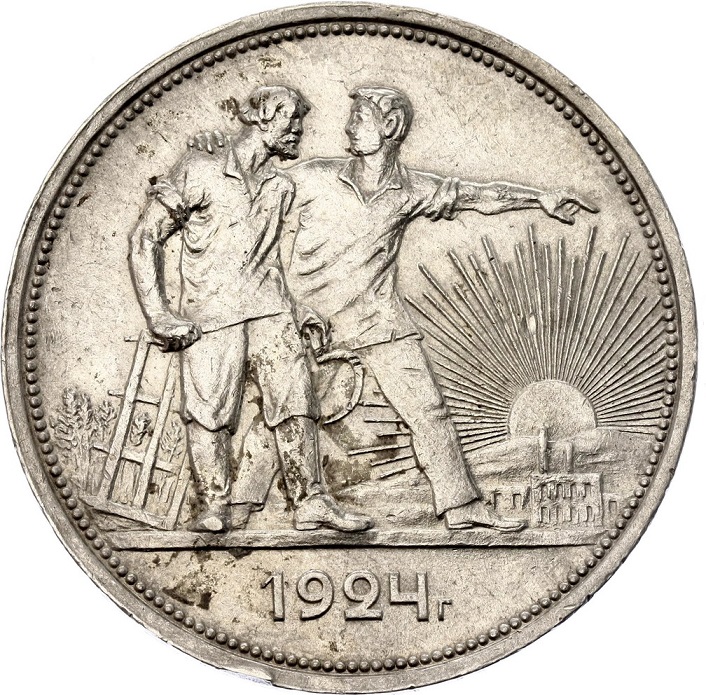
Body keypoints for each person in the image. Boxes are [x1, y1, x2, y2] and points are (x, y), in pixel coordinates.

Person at [191, 86, 597, 531]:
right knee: (293, 413)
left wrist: (539, 198)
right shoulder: (310, 177)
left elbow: (479, 196)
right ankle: (241, 504)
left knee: (429, 410)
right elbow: (246, 182)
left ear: (389, 126)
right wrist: (211, 146)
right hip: (315, 325)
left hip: (380, 322)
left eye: (359, 117)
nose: (348, 126)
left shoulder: (410, 189)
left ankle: (461, 506)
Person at [128, 85, 371, 534]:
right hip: (210, 314)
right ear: (261, 117)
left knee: (297, 401)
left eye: (300, 120)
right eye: (290, 118)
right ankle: (213, 504)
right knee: (209, 412)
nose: (298, 129)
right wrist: (156, 313)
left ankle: (310, 501)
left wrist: (296, 308)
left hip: (270, 311)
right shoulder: (200, 167)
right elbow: (146, 237)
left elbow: (266, 259)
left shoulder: (280, 187)